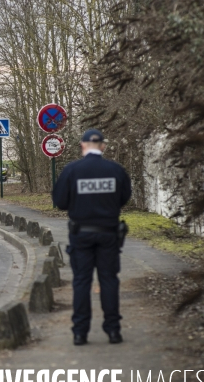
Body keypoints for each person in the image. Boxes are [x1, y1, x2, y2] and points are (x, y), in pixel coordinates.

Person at [52, 128, 132, 346]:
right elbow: (124, 197)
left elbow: (60, 201)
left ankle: (80, 333)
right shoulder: (116, 170)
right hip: (108, 234)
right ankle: (113, 331)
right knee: (109, 281)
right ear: (103, 146)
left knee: (81, 282)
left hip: (82, 235)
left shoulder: (72, 170)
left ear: (83, 145)